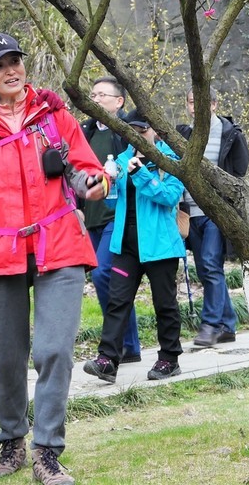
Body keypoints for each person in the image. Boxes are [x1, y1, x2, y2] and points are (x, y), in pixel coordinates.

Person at [0, 33, 107, 485]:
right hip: (0, 254)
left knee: (54, 350)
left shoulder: (55, 118)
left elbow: (82, 171)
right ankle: (11, 441)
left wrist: (95, 183)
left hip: (61, 246)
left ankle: (47, 454)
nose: (11, 69)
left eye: (15, 60)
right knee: (8, 355)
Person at [82, 109, 186, 384]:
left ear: (154, 131)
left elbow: (169, 197)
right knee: (117, 302)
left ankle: (169, 359)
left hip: (159, 247)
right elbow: (115, 204)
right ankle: (107, 360)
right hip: (126, 246)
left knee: (164, 304)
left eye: (142, 131)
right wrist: (108, 185)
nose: (136, 137)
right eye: (132, 132)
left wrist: (140, 174)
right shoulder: (123, 159)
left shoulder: (170, 160)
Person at [176, 87, 249, 347]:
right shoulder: (183, 134)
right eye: (192, 102)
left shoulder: (231, 134)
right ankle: (227, 325)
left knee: (208, 264)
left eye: (202, 102)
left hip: (216, 212)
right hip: (190, 213)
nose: (196, 107)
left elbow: (240, 172)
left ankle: (210, 324)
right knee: (209, 268)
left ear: (215, 105)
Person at [80, 76, 142, 362]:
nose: (95, 99)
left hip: (116, 216)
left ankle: (121, 342)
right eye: (93, 94)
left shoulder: (127, 132)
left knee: (106, 274)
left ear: (119, 102)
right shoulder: (85, 132)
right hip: (90, 217)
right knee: (101, 276)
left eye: (102, 94)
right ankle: (125, 343)